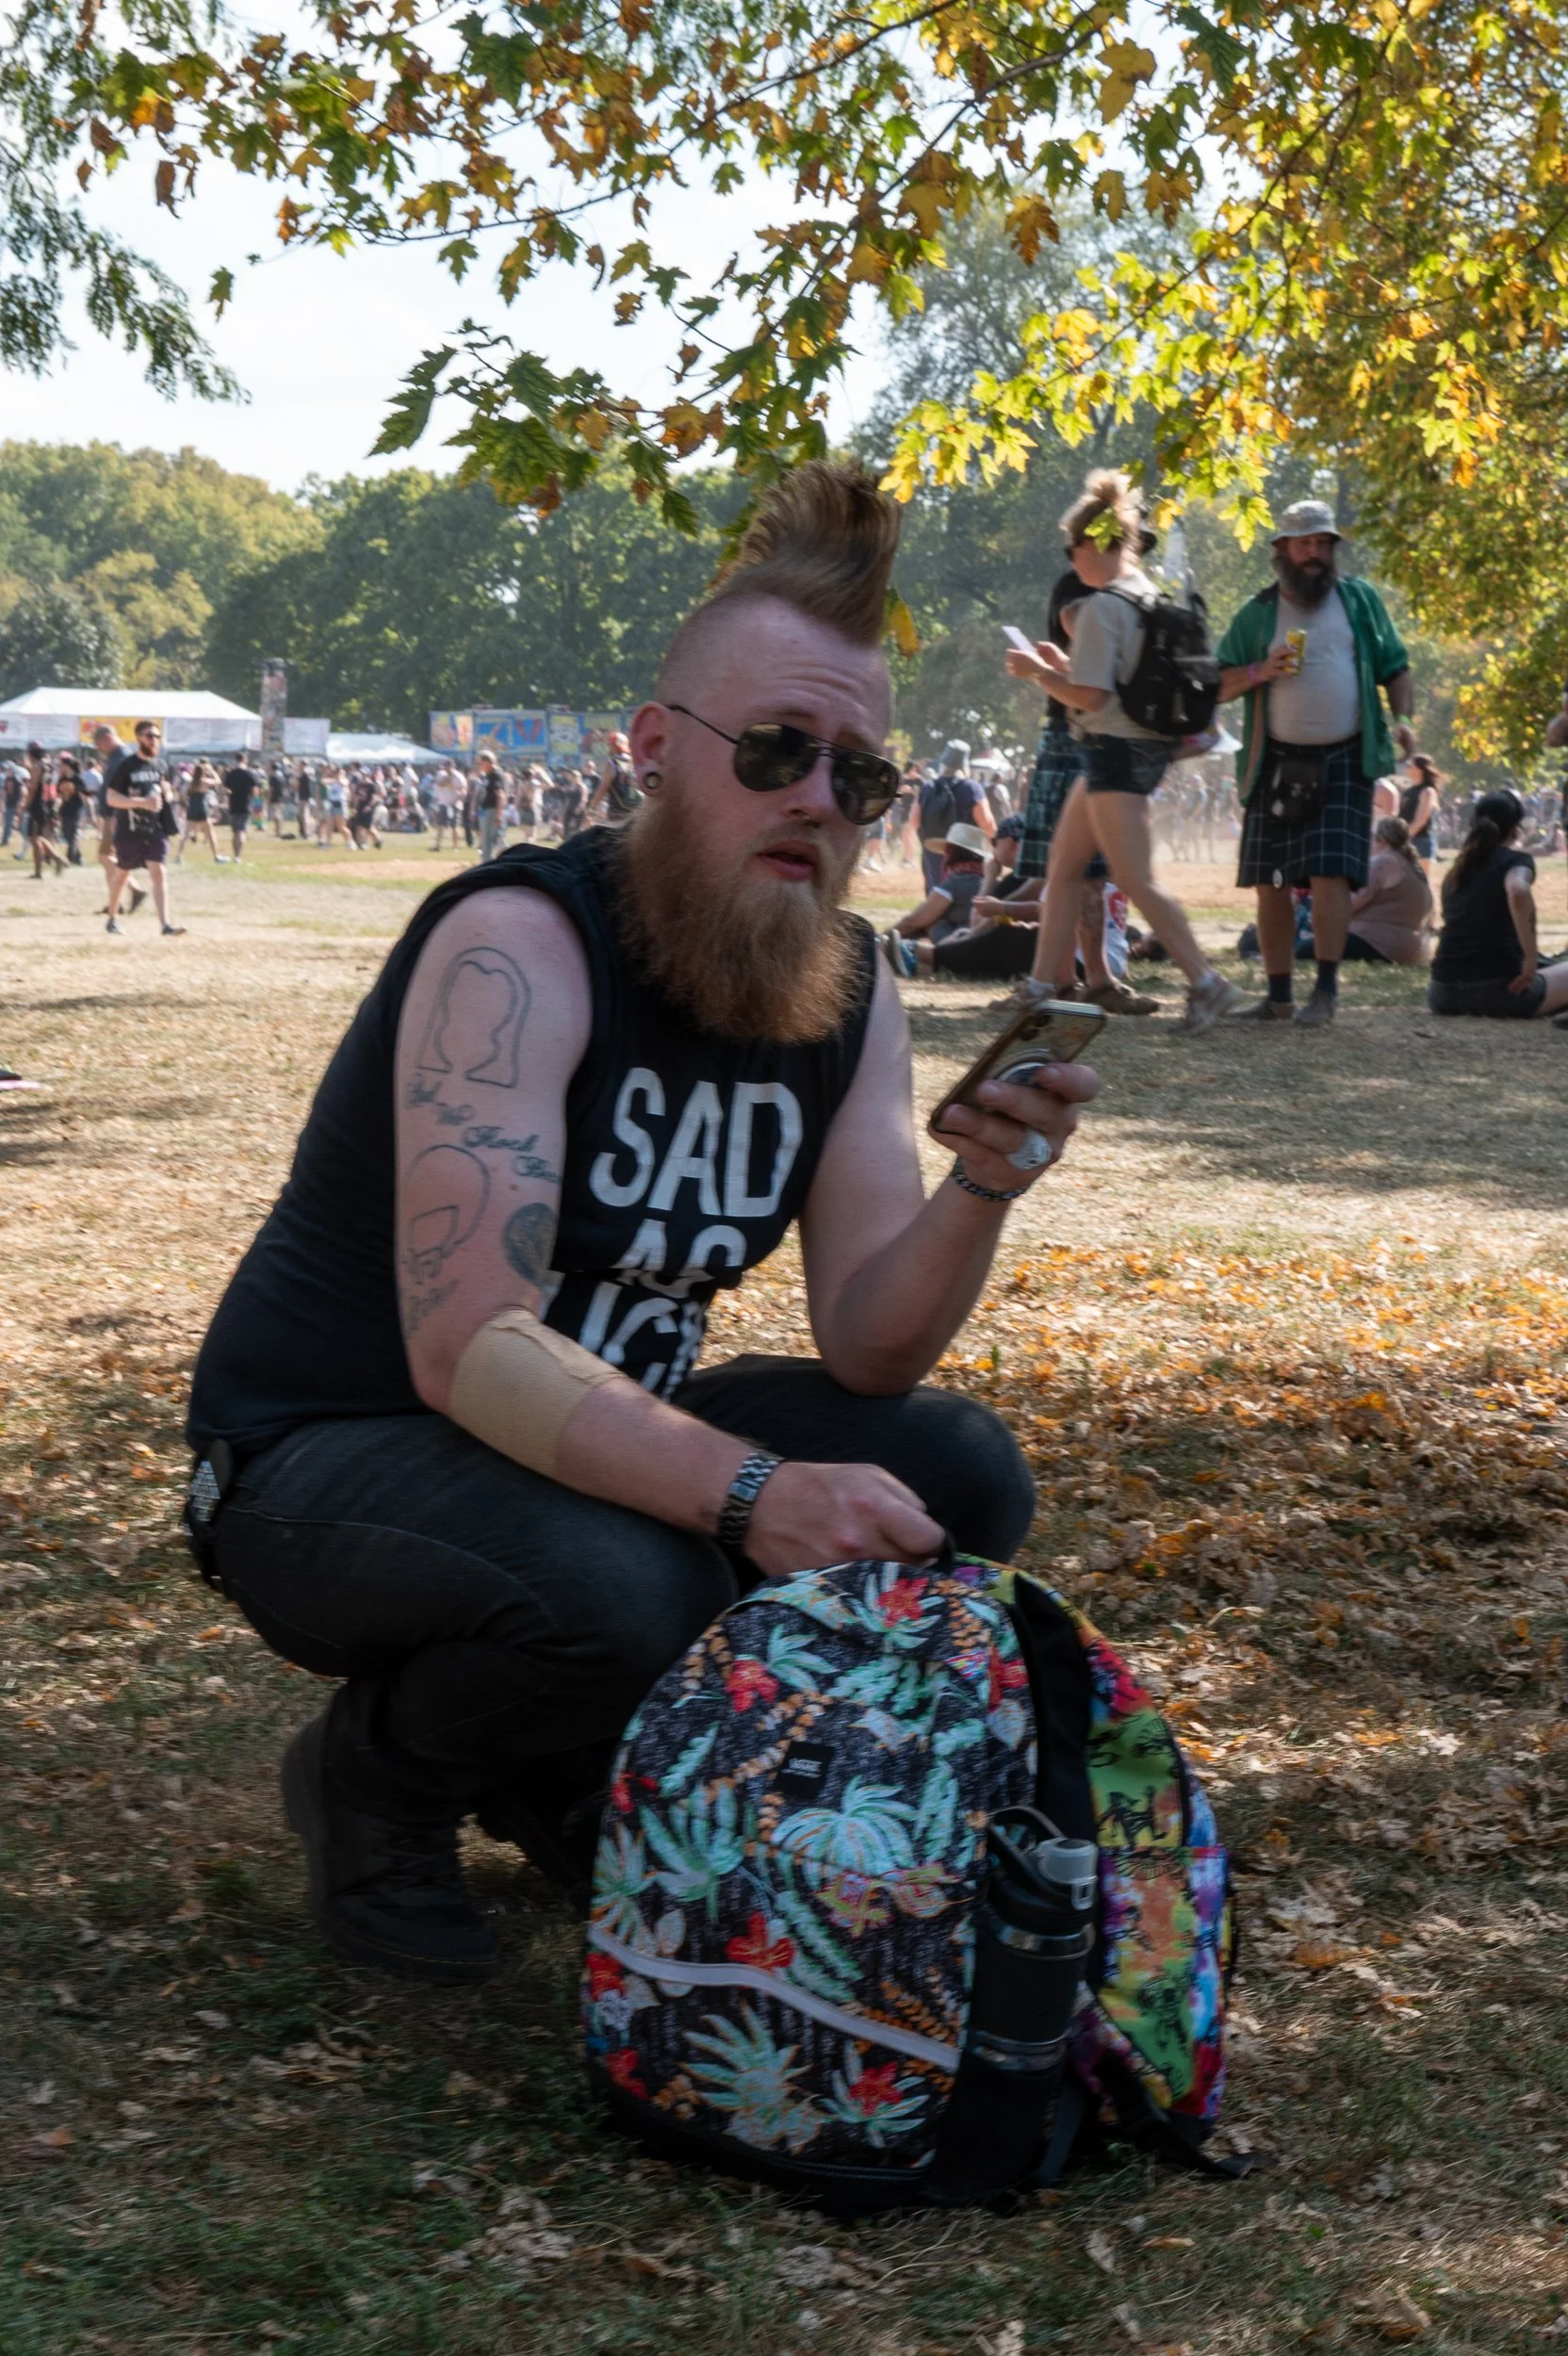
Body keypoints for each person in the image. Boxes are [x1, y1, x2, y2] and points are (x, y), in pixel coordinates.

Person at [184, 459, 1099, 1986]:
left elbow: (867, 1344)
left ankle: (557, 1763)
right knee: (638, 1580)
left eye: (856, 777)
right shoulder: (519, 943)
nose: (817, 798)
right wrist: (747, 1495)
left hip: (570, 1444)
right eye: (774, 751)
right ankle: (369, 1785)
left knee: (946, 1471)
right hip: (317, 1457)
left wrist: (982, 1184)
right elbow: (471, 1346)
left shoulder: (847, 987)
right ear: (654, 752)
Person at [1011, 471, 1245, 1033]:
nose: (1072, 562)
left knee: (1134, 877)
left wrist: (1038, 673)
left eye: (1073, 549)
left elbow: (1091, 695)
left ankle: (1208, 984)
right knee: (1063, 870)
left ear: (1092, 543)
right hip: (1135, 748)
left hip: (1111, 751)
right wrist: (1062, 670)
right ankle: (1044, 987)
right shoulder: (1145, 594)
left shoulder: (1099, 608)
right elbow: (1117, 681)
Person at [1215, 498, 1415, 1028]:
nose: (1315, 554)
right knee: (1271, 880)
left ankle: (1324, 992)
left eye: (1323, 544)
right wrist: (1260, 671)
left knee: (1332, 875)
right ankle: (1278, 996)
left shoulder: (1360, 601)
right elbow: (1213, 685)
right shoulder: (1256, 613)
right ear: (1282, 550)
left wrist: (1403, 720)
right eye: (1305, 543)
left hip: (1347, 757)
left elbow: (1396, 666)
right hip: (1274, 761)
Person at [1005, 570, 1158, 1015]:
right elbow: (1093, 678)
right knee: (1069, 868)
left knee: (1083, 869)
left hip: (1090, 734)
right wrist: (1053, 670)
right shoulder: (1082, 587)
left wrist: (1050, 669)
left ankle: (1090, 978)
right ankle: (1071, 980)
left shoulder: (1123, 591)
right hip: (1070, 733)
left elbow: (1100, 678)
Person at [1428, 789, 1568, 1023]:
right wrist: (1531, 960)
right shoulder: (1516, 861)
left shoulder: (1457, 871)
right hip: (1500, 994)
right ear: (1515, 830)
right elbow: (1518, 890)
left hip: (1442, 994)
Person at [104, 719, 186, 937]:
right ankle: (112, 918)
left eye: (157, 736)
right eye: (150, 735)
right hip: (129, 830)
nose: (154, 740)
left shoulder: (160, 765)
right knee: (122, 874)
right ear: (139, 737)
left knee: (159, 872)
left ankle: (165, 925)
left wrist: (167, 794)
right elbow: (111, 798)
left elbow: (166, 791)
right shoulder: (127, 765)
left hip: (155, 829)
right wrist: (141, 803)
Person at [878, 822, 989, 970]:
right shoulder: (986, 880)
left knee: (932, 920)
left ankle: (884, 947)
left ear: (952, 853)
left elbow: (916, 919)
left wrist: (884, 936)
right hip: (982, 944)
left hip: (960, 946)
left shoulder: (957, 882)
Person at [1344, 817, 1433, 966]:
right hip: (1410, 949)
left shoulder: (1382, 862)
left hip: (1377, 942)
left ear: (1382, 840)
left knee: (1304, 951)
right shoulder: (1414, 867)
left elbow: (1350, 904)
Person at [917, 742, 989, 890]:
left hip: (932, 850)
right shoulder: (972, 788)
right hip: (963, 854)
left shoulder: (928, 787)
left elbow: (914, 821)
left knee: (935, 892)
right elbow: (987, 823)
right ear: (964, 764)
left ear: (943, 761)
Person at [23, 744, 67, 879]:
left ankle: (42, 869)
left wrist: (26, 804)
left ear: (31, 754)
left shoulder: (38, 766)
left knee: (34, 838)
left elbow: (33, 788)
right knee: (39, 837)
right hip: (48, 803)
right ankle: (55, 860)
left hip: (37, 804)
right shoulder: (50, 765)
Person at [587, 731, 641, 828]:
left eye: (610, 744)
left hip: (617, 811)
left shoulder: (612, 762)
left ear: (614, 746)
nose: (609, 747)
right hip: (635, 808)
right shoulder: (633, 762)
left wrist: (592, 808)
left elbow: (604, 786)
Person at [1397, 753, 1441, 874]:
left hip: (1420, 842)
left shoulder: (1427, 791)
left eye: (1410, 765)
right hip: (1406, 840)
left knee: (1422, 882)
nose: (1407, 768)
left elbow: (1420, 821)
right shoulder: (1408, 791)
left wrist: (1402, 839)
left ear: (1419, 769)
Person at [181, 760, 226, 861]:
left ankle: (179, 855)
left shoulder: (191, 783)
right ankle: (216, 856)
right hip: (202, 808)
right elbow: (218, 781)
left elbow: (184, 797)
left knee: (186, 833)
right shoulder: (204, 781)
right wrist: (212, 771)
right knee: (210, 833)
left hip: (192, 808)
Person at [223, 753, 261, 860]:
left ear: (236, 760)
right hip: (246, 804)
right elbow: (255, 791)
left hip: (233, 803)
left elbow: (226, 789)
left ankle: (235, 853)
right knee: (241, 830)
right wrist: (256, 803)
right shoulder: (250, 773)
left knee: (235, 831)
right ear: (245, 760)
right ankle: (238, 856)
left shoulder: (231, 773)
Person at [475, 753, 507, 861]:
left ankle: (487, 862)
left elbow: (500, 795)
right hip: (485, 810)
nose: (478, 765)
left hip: (492, 810)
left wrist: (499, 814)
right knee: (487, 838)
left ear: (487, 762)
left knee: (491, 839)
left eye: (480, 763)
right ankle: (487, 860)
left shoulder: (496, 775)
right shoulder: (488, 775)